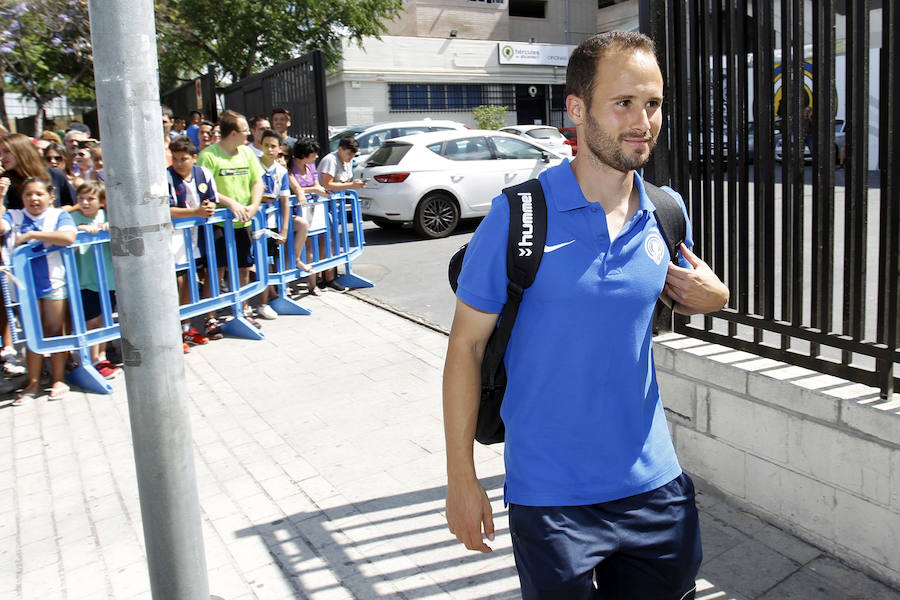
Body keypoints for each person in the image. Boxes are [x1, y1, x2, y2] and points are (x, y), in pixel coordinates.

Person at [443, 31, 729, 600]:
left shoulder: (666, 212)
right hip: (551, 499)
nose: (642, 121)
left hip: (655, 487)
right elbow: (465, 350)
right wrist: (461, 479)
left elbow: (687, 291)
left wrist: (718, 298)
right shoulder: (518, 217)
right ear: (576, 110)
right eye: (623, 103)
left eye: (652, 104)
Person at [0, 178, 78, 403]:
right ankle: (33, 382)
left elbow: (68, 236)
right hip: (23, 286)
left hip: (53, 282)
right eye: (28, 195)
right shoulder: (13, 216)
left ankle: (58, 378)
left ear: (50, 196)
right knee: (32, 334)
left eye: (39, 194)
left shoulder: (58, 216)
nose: (33, 199)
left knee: (54, 331)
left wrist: (33, 236)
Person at [196, 109, 265, 329]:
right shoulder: (208, 156)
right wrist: (230, 203)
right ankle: (211, 317)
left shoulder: (247, 153)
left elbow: (258, 182)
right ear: (233, 133)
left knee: (244, 268)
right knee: (215, 271)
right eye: (245, 130)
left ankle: (242, 310)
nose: (249, 135)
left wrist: (253, 205)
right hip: (216, 224)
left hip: (243, 223)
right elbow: (206, 189)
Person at [167, 136, 219, 350]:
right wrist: (195, 212)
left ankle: (187, 327)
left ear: (194, 158)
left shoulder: (203, 173)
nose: (179, 163)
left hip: (199, 239)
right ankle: (174, 330)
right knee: (177, 284)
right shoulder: (167, 177)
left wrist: (208, 208)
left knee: (191, 281)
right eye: (175, 159)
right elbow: (165, 209)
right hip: (175, 241)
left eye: (184, 159)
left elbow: (213, 198)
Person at [254, 129, 312, 319]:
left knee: (272, 260)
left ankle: (273, 296)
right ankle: (261, 302)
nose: (270, 150)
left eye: (273, 146)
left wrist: (285, 229)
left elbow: (285, 201)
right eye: (266, 145)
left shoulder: (281, 171)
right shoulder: (253, 166)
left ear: (279, 148)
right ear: (260, 146)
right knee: (258, 263)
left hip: (273, 224)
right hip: (256, 224)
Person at [70, 181, 119, 379]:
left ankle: (101, 355)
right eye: (81, 198)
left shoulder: (107, 216)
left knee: (104, 319)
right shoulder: (72, 218)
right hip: (84, 279)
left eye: (90, 198)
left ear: (100, 202)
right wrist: (79, 229)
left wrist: (109, 227)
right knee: (92, 321)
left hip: (107, 279)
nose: (85, 202)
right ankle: (92, 359)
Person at [289, 137, 331, 295]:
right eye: (313, 154)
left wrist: (318, 190)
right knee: (290, 250)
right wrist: (313, 190)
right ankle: (287, 284)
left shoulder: (311, 166)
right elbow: (294, 190)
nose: (316, 157)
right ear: (304, 154)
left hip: (311, 211)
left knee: (311, 247)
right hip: (295, 213)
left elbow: (316, 185)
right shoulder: (290, 167)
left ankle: (312, 284)